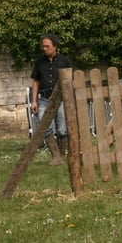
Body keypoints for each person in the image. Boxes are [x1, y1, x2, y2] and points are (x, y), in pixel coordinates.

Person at [30, 34, 73, 165]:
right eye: (43, 46)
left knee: (62, 129)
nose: (44, 48)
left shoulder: (64, 61)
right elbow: (36, 81)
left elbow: (70, 80)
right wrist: (34, 101)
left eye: (47, 46)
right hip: (44, 99)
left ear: (55, 46)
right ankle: (55, 156)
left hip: (60, 100)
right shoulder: (39, 61)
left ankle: (62, 154)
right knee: (45, 128)